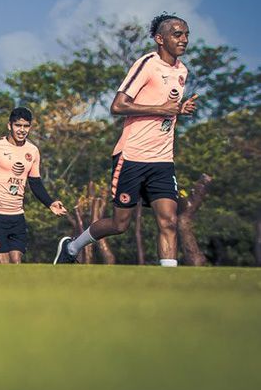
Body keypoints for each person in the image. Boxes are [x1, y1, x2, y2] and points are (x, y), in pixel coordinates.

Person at [55, 14, 197, 266]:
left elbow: (167, 109)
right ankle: (72, 247)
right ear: (159, 39)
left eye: (186, 34)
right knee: (120, 224)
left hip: (163, 159)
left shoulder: (182, 71)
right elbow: (118, 105)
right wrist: (163, 109)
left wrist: (179, 109)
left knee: (169, 220)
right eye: (177, 34)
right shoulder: (148, 64)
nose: (184, 39)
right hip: (131, 156)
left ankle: (170, 282)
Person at [0, 107, 67, 263]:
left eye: (26, 126)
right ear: (10, 126)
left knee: (16, 263)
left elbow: (35, 183)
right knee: (3, 263)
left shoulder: (33, 151)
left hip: (17, 216)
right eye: (18, 125)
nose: (22, 130)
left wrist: (50, 203)